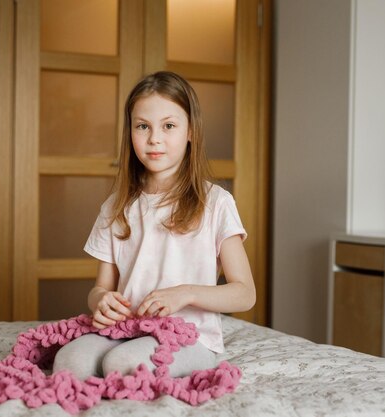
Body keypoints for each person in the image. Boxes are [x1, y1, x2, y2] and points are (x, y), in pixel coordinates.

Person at [52, 71, 256, 380]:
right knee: (69, 361)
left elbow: (244, 294)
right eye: (142, 126)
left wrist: (183, 294)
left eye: (169, 126)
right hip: (127, 328)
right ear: (130, 131)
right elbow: (100, 289)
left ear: (190, 131)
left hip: (190, 336)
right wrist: (101, 301)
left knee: (122, 364)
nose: (154, 139)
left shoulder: (216, 203)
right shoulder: (116, 206)